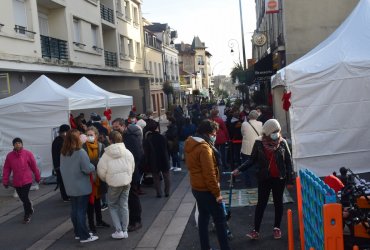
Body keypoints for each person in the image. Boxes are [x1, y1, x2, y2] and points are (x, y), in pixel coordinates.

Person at [232, 119, 294, 240]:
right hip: (264, 178)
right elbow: (251, 160)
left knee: (278, 203)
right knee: (261, 204)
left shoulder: (282, 143)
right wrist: (239, 170)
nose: (276, 133)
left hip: (279, 178)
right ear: (268, 132)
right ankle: (256, 230)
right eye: (274, 131)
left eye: (278, 131)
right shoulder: (259, 143)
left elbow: (288, 162)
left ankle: (277, 228)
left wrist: (290, 180)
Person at [184, 119, 231, 250]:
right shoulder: (204, 148)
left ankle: (205, 247)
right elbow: (209, 173)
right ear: (208, 133)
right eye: (214, 133)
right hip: (207, 189)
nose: (215, 136)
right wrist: (217, 194)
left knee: (203, 218)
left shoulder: (190, 143)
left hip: (196, 187)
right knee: (220, 220)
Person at [59, 130, 98, 243]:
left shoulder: (63, 153)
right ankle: (84, 236)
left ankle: (78, 232)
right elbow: (87, 168)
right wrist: (93, 166)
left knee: (75, 211)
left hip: (70, 186)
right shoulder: (80, 152)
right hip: (81, 186)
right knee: (81, 212)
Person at [97, 131, 135, 239]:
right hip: (126, 182)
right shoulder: (127, 152)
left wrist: (107, 179)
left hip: (113, 184)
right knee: (124, 205)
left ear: (110, 140)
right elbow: (132, 167)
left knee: (113, 205)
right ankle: (125, 230)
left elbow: (101, 171)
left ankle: (119, 230)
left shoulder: (106, 154)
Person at [2, 138, 41, 224]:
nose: (18, 145)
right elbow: (6, 169)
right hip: (16, 181)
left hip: (27, 180)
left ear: (22, 144)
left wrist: (38, 177)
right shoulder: (10, 156)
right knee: (23, 198)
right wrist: (5, 180)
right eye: (16, 143)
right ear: (13, 145)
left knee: (24, 197)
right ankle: (29, 207)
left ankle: (27, 215)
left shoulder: (28, 154)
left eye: (19, 143)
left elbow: (34, 167)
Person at [83, 126, 110, 233]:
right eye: (88, 135)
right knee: (90, 202)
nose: (90, 137)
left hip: (99, 177)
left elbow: (104, 161)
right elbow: (85, 164)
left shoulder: (101, 146)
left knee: (98, 200)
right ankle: (91, 224)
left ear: (96, 136)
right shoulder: (83, 147)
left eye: (91, 135)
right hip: (88, 178)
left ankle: (99, 221)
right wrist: (95, 163)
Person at [123, 119, 144, 232]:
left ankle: (136, 221)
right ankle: (132, 220)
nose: (115, 128)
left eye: (117, 126)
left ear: (124, 126)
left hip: (132, 172)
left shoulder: (130, 138)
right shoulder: (128, 137)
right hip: (129, 171)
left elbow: (137, 155)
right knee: (130, 197)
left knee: (133, 197)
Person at [143, 121, 171, 198]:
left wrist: (147, 161)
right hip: (164, 158)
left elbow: (146, 152)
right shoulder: (163, 137)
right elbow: (168, 148)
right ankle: (167, 192)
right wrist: (168, 157)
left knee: (156, 177)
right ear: (157, 128)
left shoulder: (148, 139)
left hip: (154, 160)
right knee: (166, 176)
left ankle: (159, 193)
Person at [240, 110, 263, 187]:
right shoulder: (260, 124)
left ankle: (248, 184)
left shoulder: (244, 124)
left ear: (249, 116)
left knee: (246, 167)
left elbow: (242, 133)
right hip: (257, 148)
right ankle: (258, 183)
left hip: (246, 148)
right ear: (257, 116)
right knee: (258, 166)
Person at [52, 124, 71, 202]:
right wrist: (57, 166)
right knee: (62, 181)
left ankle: (68, 194)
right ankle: (65, 197)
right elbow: (55, 155)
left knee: (67, 180)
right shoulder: (57, 141)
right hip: (60, 165)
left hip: (66, 164)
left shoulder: (65, 140)